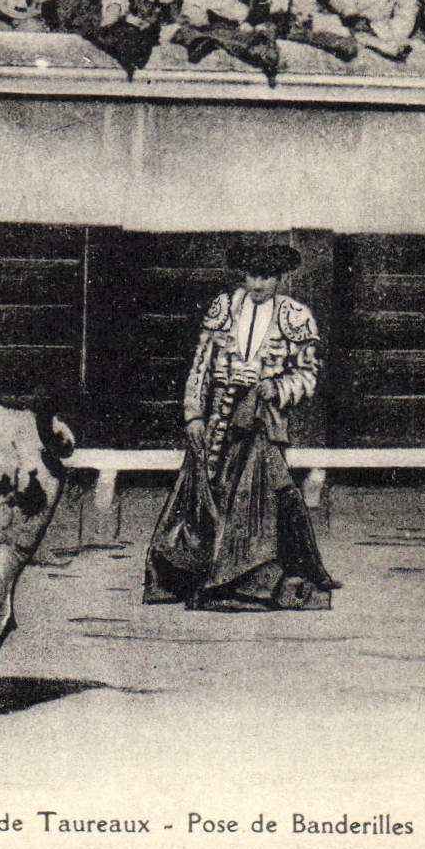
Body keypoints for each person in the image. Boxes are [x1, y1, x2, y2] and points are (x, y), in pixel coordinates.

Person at [145, 244, 340, 613]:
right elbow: (201, 365)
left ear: (280, 278)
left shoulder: (294, 315)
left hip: (262, 418)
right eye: (251, 275)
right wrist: (193, 414)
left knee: (262, 492)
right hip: (218, 413)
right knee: (202, 492)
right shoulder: (225, 307)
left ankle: (246, 577)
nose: (257, 283)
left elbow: (308, 374)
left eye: (266, 276)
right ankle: (196, 574)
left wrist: (276, 387)